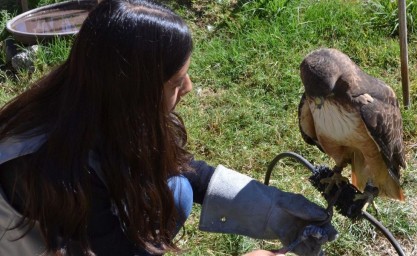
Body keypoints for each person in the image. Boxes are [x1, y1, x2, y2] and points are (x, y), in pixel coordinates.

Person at [0, 0, 337, 255]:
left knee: (176, 189)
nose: (189, 87)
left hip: (84, 229)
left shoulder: (97, 104)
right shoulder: (48, 166)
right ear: (136, 90)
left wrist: (275, 209)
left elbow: (184, 171)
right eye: (176, 81)